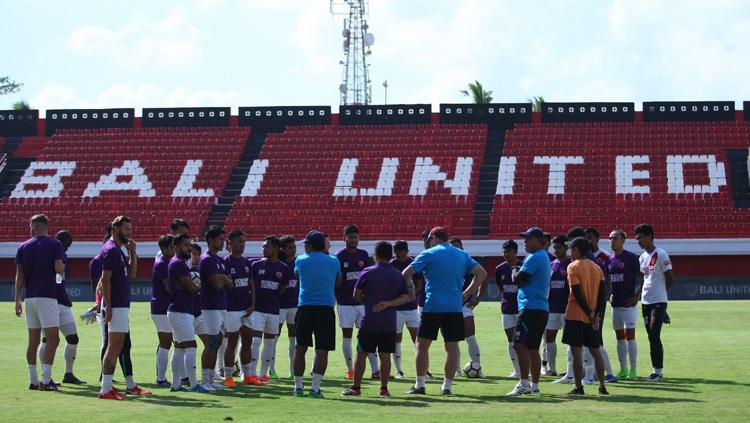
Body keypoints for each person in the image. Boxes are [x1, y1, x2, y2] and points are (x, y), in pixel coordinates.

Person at [403, 227, 487, 396]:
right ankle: (447, 386)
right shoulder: (461, 254)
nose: (428, 241)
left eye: (429, 238)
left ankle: (420, 385)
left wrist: (411, 289)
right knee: (452, 347)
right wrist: (467, 293)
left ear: (434, 237)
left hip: (433, 306)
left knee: (422, 345)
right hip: (454, 308)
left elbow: (407, 272)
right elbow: (482, 273)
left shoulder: (429, 253)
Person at [342, 241, 410, 398]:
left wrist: (367, 302)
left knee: (362, 354)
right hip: (389, 322)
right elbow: (405, 297)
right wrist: (388, 304)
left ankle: (356, 388)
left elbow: (356, 294)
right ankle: (384, 389)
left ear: (375, 255)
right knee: (385, 355)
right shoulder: (396, 275)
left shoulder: (367, 272)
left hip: (370, 320)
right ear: (391, 255)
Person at [99, 216, 150, 399]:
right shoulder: (111, 250)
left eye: (130, 228)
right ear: (115, 229)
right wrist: (109, 305)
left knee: (118, 345)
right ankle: (105, 389)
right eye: (126, 229)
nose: (129, 232)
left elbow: (132, 274)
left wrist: (133, 253)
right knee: (114, 346)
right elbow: (105, 279)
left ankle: (109, 387)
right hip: (116, 305)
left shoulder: (119, 251)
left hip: (120, 304)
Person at [15, 214, 66, 391]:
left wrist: (17, 299)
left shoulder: (23, 247)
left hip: (30, 298)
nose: (30, 228)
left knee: (33, 341)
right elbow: (59, 267)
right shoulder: (55, 244)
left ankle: (33, 380)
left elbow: (19, 275)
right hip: (47, 297)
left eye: (31, 225)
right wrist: (62, 269)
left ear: (37, 226)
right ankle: (45, 380)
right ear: (45, 226)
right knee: (54, 338)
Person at [292, 230, 342, 398]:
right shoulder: (334, 261)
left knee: (300, 348)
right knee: (322, 350)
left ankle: (298, 387)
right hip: (326, 309)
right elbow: (338, 282)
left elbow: (298, 277)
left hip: (305, 307)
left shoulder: (300, 260)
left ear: (311, 245)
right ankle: (314, 388)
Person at [36, 230, 85, 385]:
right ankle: (46, 376)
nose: (67, 249)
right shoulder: (52, 255)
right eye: (67, 245)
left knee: (73, 338)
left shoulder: (62, 255)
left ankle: (68, 374)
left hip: (62, 304)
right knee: (47, 339)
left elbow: (59, 282)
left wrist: (65, 298)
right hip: (49, 302)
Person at [506, 227, 551, 396]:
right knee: (533, 348)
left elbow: (518, 280)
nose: (525, 241)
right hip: (540, 308)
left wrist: (514, 270)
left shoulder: (534, 257)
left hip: (530, 307)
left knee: (519, 344)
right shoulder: (543, 256)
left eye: (528, 239)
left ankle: (524, 383)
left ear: (539, 241)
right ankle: (534, 384)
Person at [562, 237, 609, 396]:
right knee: (596, 352)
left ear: (576, 249)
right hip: (592, 318)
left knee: (576, 353)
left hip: (576, 315)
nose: (569, 251)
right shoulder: (597, 268)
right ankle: (602, 386)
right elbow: (603, 295)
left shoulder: (572, 267)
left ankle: (578, 387)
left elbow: (577, 292)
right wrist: (596, 315)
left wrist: (588, 311)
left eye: (571, 248)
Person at [334, 224, 380, 380]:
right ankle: (350, 370)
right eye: (350, 237)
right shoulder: (338, 256)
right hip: (345, 303)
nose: (353, 240)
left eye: (355, 237)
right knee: (347, 336)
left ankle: (375, 370)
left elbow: (368, 278)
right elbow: (336, 280)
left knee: (368, 335)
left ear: (358, 238)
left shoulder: (363, 255)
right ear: (344, 238)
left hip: (362, 304)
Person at [167, 233, 209, 393]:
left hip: (181, 310)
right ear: (176, 247)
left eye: (189, 246)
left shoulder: (179, 263)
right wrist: (204, 287)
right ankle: (194, 384)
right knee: (191, 346)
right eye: (185, 245)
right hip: (180, 311)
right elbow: (191, 288)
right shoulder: (178, 264)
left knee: (179, 348)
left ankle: (176, 384)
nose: (189, 249)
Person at [247, 236, 290, 384]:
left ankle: (263, 374)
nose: (263, 249)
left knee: (270, 343)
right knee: (256, 340)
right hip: (257, 309)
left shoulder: (283, 269)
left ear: (276, 249)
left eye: (267, 246)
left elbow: (282, 289)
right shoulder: (256, 265)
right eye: (263, 246)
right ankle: (250, 373)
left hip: (273, 310)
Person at [635, 224, 674, 382]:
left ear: (650, 237)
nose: (638, 241)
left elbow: (670, 278)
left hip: (658, 301)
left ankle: (658, 373)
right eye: (637, 238)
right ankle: (655, 371)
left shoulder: (662, 254)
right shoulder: (642, 257)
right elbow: (644, 279)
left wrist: (662, 297)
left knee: (654, 335)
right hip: (646, 301)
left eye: (640, 238)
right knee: (650, 336)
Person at [198, 226, 233, 391]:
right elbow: (217, 284)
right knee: (211, 343)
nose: (223, 242)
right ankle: (205, 381)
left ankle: (211, 379)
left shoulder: (220, 260)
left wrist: (224, 278)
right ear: (211, 241)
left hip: (221, 306)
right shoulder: (207, 259)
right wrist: (223, 279)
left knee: (218, 342)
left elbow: (230, 284)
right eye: (219, 239)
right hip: (210, 307)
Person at [221, 230, 255, 387]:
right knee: (232, 343)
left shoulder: (247, 263)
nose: (242, 245)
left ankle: (247, 375)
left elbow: (251, 285)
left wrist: (252, 304)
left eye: (243, 242)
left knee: (248, 341)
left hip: (246, 309)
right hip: (231, 309)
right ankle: (228, 376)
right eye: (239, 242)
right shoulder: (225, 262)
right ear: (230, 243)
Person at [584, 227, 617, 383]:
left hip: (597, 301)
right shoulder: (585, 256)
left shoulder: (605, 256)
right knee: (589, 337)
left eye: (590, 237)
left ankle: (605, 372)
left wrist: (608, 294)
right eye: (586, 238)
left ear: (597, 238)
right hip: (588, 300)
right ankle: (592, 371)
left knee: (595, 336)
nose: (588, 240)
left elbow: (608, 279)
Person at [608, 229, 642, 380]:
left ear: (623, 240)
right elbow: (607, 281)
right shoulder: (608, 260)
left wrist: (637, 296)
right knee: (619, 338)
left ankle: (633, 370)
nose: (612, 241)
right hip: (616, 306)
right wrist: (609, 294)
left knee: (631, 337)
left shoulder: (631, 258)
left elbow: (645, 276)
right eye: (610, 238)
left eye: (615, 238)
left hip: (629, 305)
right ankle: (623, 369)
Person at [449, 238, 485, 378]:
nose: (456, 250)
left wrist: (477, 298)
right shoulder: (445, 264)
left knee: (470, 336)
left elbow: (483, 278)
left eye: (458, 247)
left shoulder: (468, 262)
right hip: (450, 307)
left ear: (462, 248)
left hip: (464, 306)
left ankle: (478, 368)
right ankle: (456, 370)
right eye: (453, 248)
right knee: (453, 339)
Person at [389, 240, 424, 379]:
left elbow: (420, 282)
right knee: (397, 339)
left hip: (411, 309)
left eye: (403, 256)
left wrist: (414, 295)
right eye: (398, 256)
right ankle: (399, 370)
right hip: (396, 309)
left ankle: (423, 368)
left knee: (417, 339)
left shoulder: (414, 264)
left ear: (407, 252)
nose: (401, 258)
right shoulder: (391, 265)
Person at [272, 235, 299, 378]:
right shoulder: (278, 264)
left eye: (294, 247)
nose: (293, 250)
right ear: (282, 249)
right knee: (273, 337)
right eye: (290, 248)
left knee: (293, 338)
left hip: (294, 305)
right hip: (280, 306)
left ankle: (293, 370)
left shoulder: (298, 263)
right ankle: (271, 368)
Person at [543, 235, 570, 377]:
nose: (556, 250)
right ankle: (551, 369)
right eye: (554, 247)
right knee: (549, 338)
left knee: (570, 341)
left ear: (566, 248)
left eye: (559, 247)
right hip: (552, 308)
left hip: (567, 309)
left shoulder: (571, 264)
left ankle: (570, 371)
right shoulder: (551, 264)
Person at [495, 240, 522, 378]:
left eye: (510, 251)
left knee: (522, 340)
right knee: (511, 339)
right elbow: (501, 288)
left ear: (516, 252)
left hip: (521, 309)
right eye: (505, 251)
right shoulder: (499, 269)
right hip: (507, 309)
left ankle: (525, 370)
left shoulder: (523, 266)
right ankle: (517, 370)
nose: (507, 254)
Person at [151, 234, 175, 388]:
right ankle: (160, 378)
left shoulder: (169, 262)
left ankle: (176, 376)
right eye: (172, 247)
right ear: (164, 248)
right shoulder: (162, 264)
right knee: (166, 342)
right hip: (161, 307)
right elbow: (169, 287)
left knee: (171, 342)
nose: (175, 249)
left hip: (164, 307)